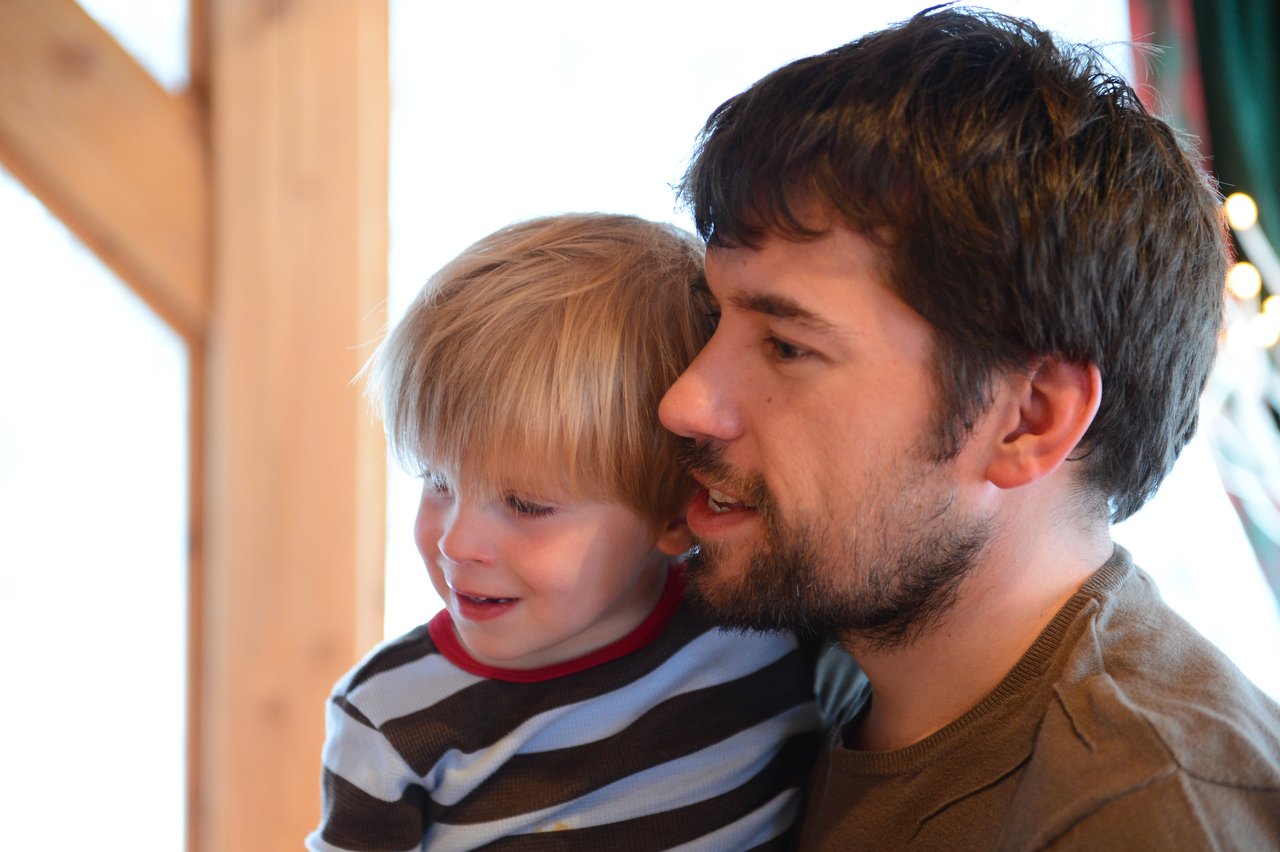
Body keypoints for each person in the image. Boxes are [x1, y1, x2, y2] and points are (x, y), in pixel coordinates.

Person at [657, 7, 1280, 849]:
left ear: (1028, 420)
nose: (685, 401)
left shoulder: (1147, 815)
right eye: (715, 318)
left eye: (787, 346)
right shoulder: (811, 662)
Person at [306, 213, 819, 852]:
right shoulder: (391, 719)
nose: (455, 543)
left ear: (673, 514)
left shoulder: (759, 623)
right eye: (438, 480)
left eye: (525, 505)